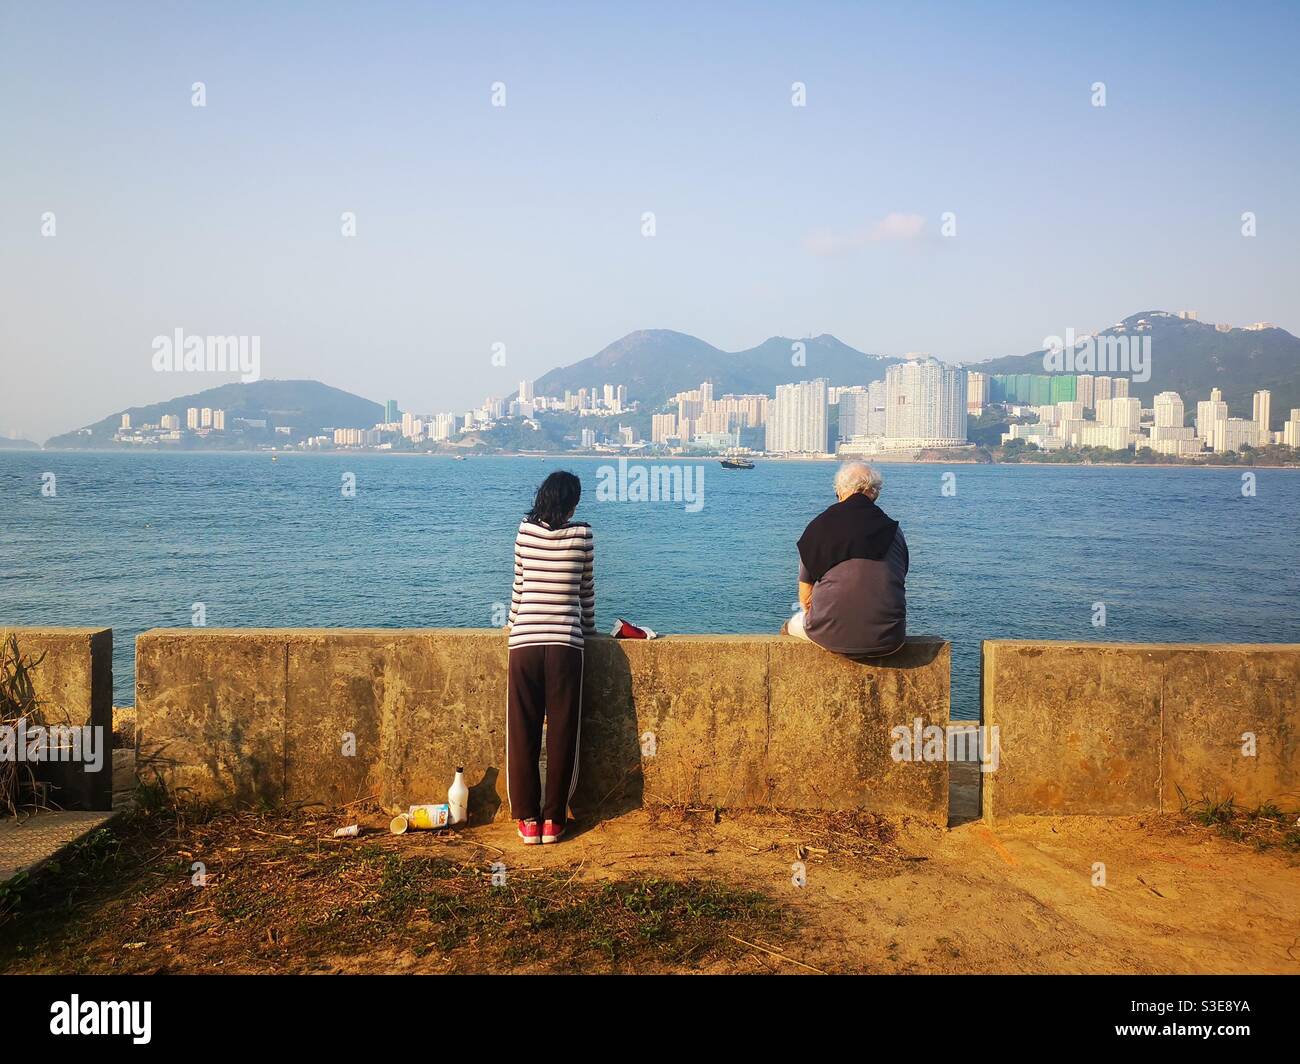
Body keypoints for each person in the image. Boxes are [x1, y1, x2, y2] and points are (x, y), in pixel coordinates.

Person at [505, 471, 595, 845]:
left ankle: (527, 818)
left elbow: (519, 586)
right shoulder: (583, 536)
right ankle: (554, 820)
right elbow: (585, 593)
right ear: (571, 503)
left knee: (522, 730)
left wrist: (513, 625)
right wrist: (587, 629)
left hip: (524, 643)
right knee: (562, 731)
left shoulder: (525, 532)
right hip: (565, 646)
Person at [782, 461, 908, 658]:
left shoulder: (818, 528)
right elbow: (898, 579)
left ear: (840, 491)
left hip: (831, 638)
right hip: (890, 640)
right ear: (875, 493)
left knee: (790, 626)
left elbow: (805, 600)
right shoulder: (894, 531)